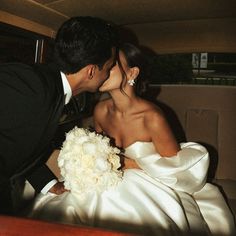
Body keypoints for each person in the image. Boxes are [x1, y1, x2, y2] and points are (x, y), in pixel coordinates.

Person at [28, 43, 235, 235]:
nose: (103, 68)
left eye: (112, 65)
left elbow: (177, 167)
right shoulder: (101, 110)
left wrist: (126, 163)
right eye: (102, 63)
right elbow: (99, 151)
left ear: (132, 73)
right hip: (106, 180)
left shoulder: (152, 117)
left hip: (147, 180)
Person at [0, 16, 118, 215]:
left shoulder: (52, 89)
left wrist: (48, 184)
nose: (108, 73)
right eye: (108, 67)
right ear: (90, 71)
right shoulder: (30, 85)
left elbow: (16, 140)